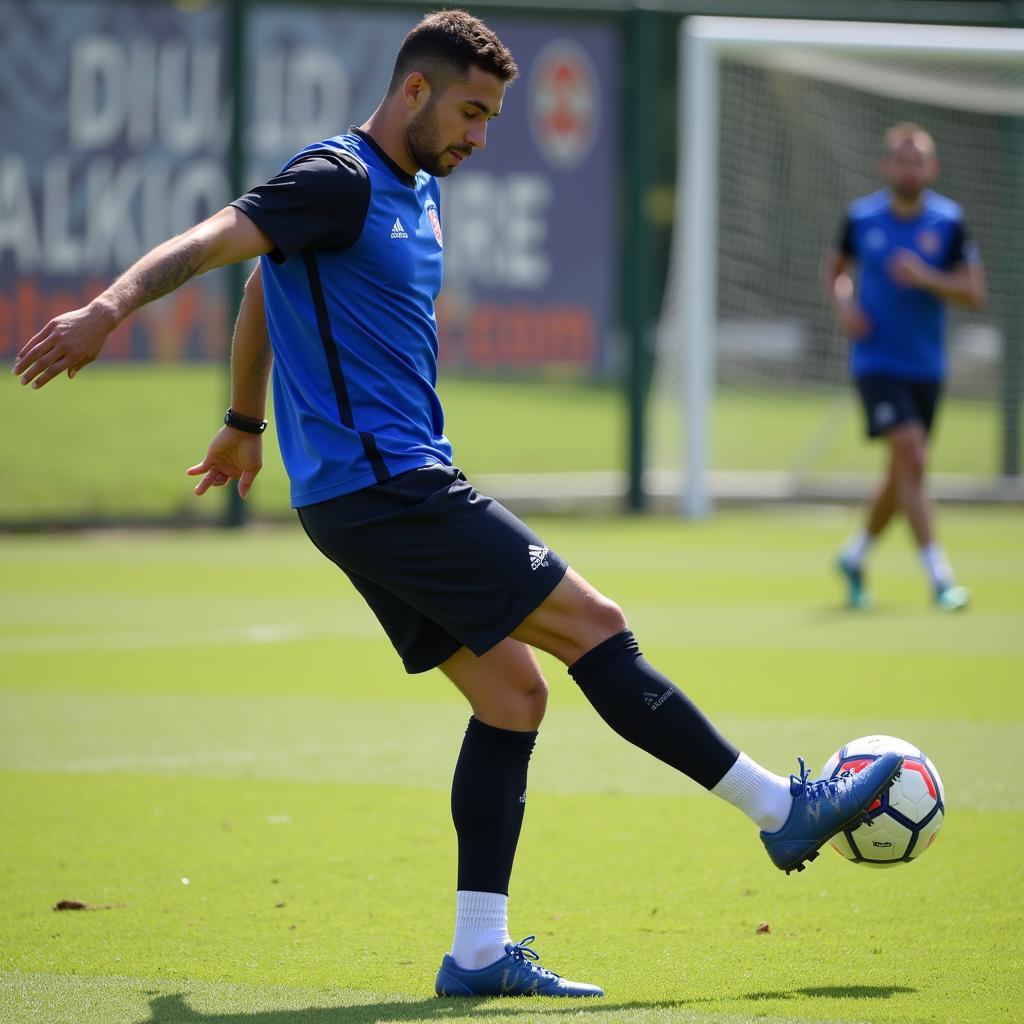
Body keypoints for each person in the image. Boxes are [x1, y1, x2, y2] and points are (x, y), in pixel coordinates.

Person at [14, 9, 902, 999]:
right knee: (596, 625)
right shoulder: (338, 177)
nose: (480, 136)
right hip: (390, 487)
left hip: (370, 492)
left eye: (489, 119)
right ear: (412, 93)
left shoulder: (411, 189)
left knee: (512, 695)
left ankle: (477, 950)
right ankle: (779, 808)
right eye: (471, 113)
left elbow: (270, 281)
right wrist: (105, 309)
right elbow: (217, 240)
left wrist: (243, 417)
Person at [825, 122, 986, 611]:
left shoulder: (948, 223)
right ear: (886, 166)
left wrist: (926, 277)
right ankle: (940, 578)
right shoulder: (861, 217)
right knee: (912, 456)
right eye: (901, 159)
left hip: (926, 367)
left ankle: (854, 556)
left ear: (931, 169)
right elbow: (836, 272)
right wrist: (845, 305)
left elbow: (974, 293)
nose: (909, 168)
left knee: (902, 473)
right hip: (876, 362)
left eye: (918, 160)